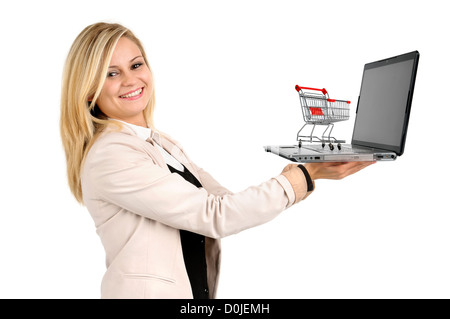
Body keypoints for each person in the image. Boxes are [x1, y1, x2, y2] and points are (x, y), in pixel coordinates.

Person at [60, 22, 374, 299]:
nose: (130, 80)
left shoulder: (159, 143)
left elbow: (225, 203)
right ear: (89, 91)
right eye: (112, 73)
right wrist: (305, 176)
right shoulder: (111, 155)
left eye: (136, 65)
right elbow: (216, 215)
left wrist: (303, 172)